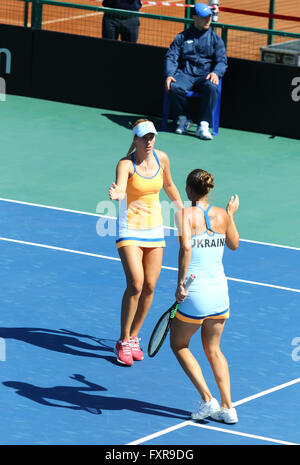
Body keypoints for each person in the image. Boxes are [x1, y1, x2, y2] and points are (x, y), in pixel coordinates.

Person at [109, 119, 183, 366]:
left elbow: (170, 185)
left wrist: (183, 210)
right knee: (136, 283)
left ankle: (133, 337)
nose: (149, 141)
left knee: (150, 286)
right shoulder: (126, 164)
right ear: (136, 140)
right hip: (129, 228)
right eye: (145, 137)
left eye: (152, 136)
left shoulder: (162, 158)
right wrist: (118, 194)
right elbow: (120, 187)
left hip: (154, 230)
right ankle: (122, 340)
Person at [170, 168, 239, 423]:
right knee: (214, 349)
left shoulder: (184, 214)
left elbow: (186, 247)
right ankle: (228, 408)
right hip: (220, 293)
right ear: (208, 190)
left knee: (178, 344)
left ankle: (207, 399)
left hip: (196, 293)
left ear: (189, 190)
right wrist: (230, 216)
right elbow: (234, 244)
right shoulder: (223, 214)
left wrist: (180, 284)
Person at [164, 2, 227, 140]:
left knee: (212, 87)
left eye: (209, 16)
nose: (208, 20)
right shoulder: (182, 37)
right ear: (194, 17)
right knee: (173, 87)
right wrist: (169, 74)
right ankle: (185, 118)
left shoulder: (216, 39)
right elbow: (171, 56)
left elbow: (222, 61)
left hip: (204, 75)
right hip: (185, 74)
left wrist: (216, 72)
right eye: (204, 17)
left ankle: (203, 125)